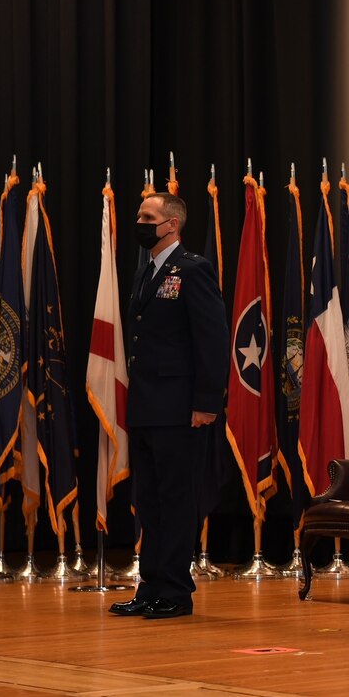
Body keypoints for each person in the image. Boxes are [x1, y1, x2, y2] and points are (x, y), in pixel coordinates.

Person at [109, 192, 229, 619]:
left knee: (177, 501)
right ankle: (151, 585)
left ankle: (175, 590)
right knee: (151, 502)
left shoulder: (193, 269)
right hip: (147, 407)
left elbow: (212, 339)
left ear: (172, 224)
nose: (139, 222)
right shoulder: (146, 272)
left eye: (148, 216)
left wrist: (206, 403)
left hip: (181, 409)